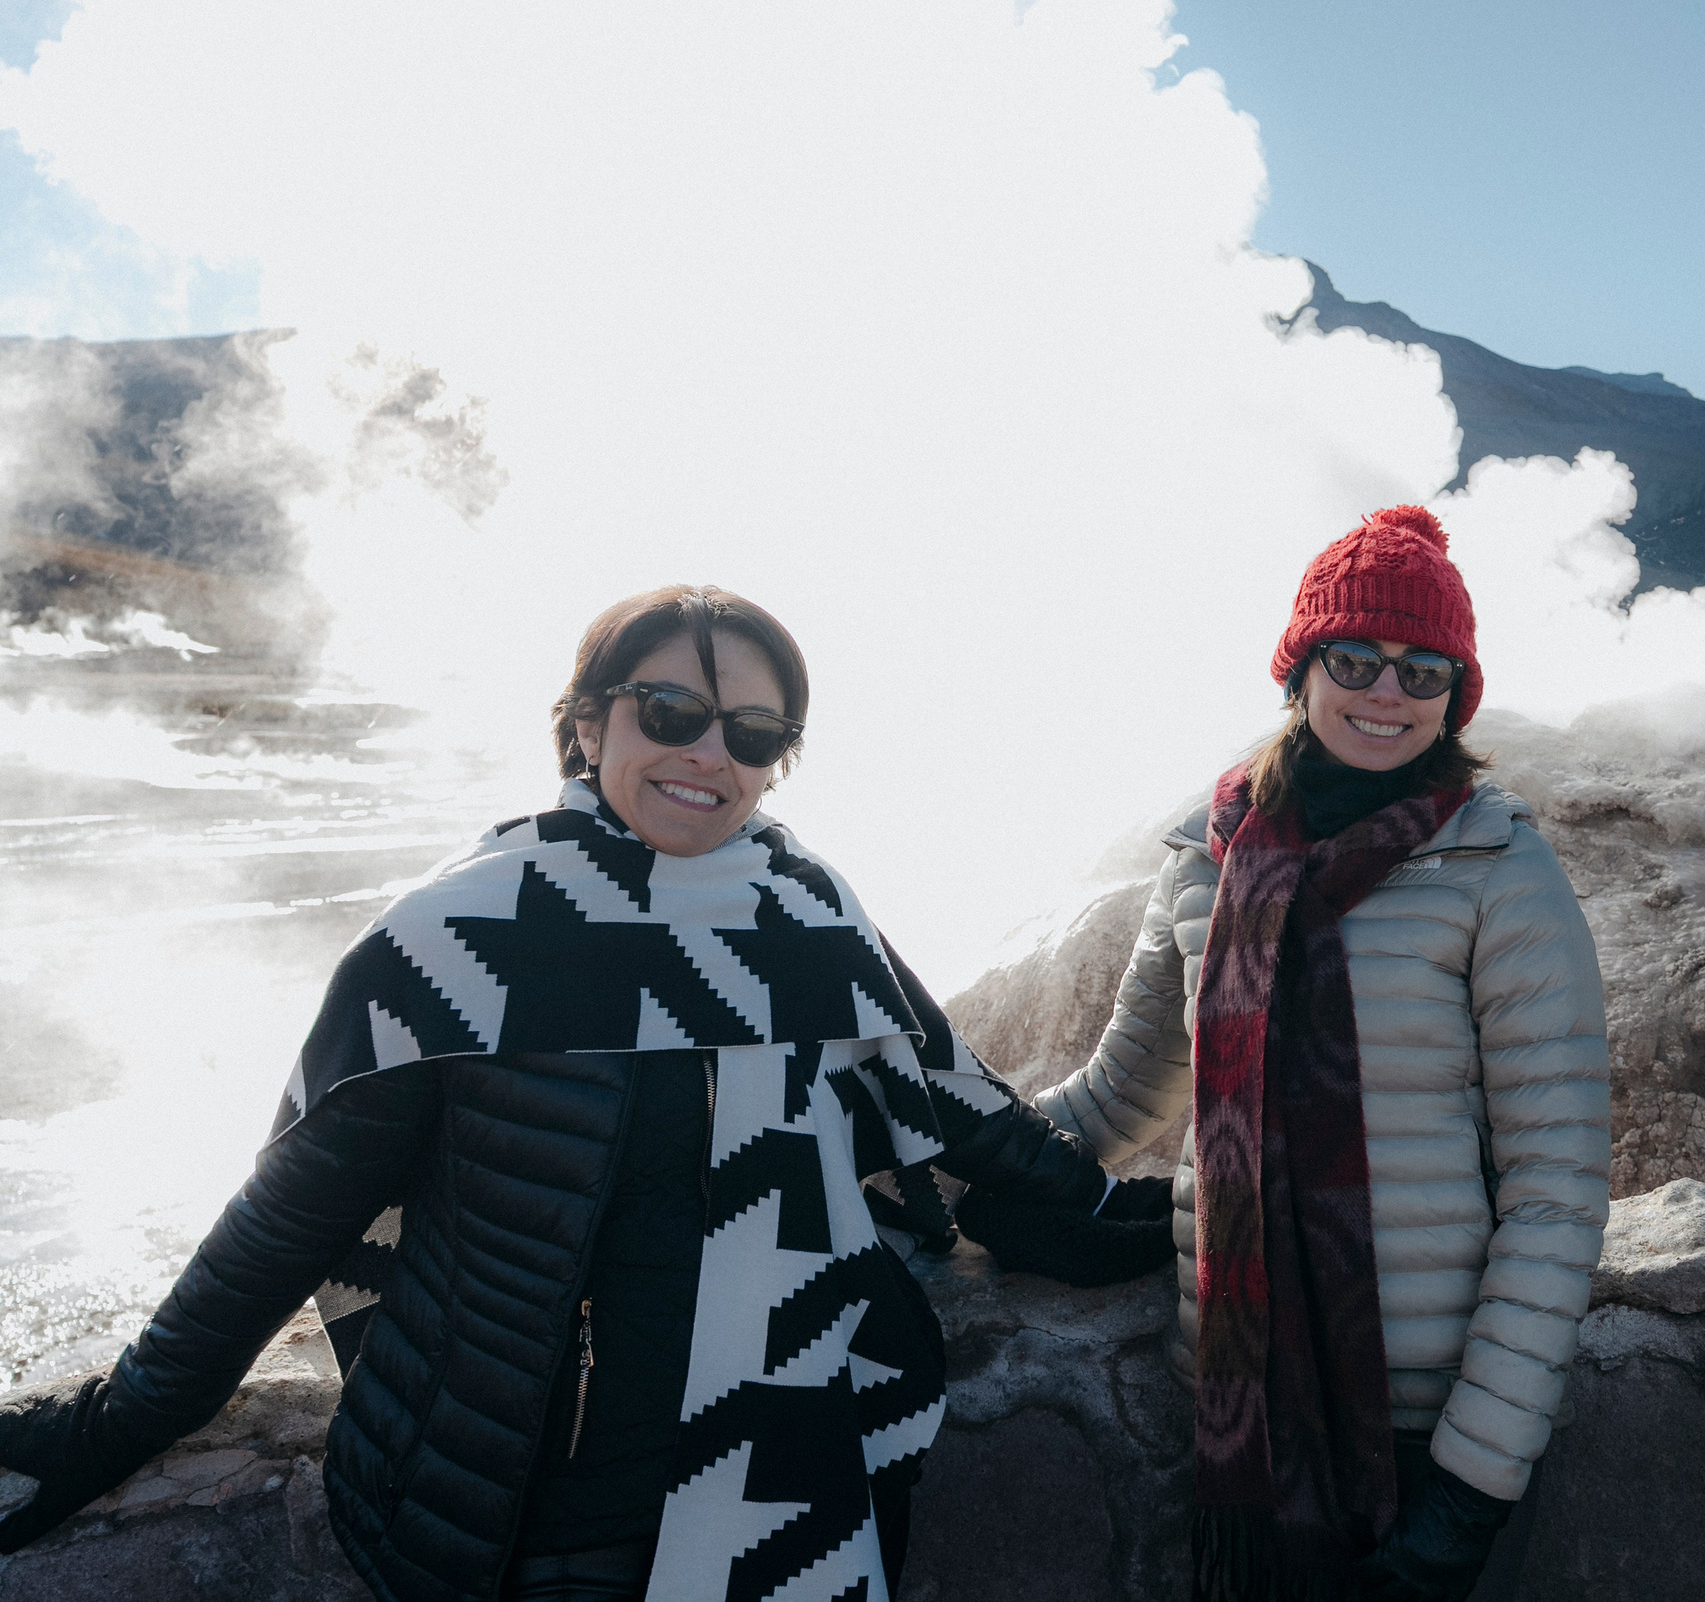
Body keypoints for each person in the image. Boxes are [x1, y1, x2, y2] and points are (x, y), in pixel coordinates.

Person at [0, 585, 1170, 1601]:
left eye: (755, 732)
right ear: (585, 722)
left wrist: (1136, 1217)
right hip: (546, 1501)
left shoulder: (805, 913)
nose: (710, 753)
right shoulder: (466, 936)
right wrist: (117, 1423)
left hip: (798, 1462)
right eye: (670, 714)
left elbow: (953, 1102)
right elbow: (289, 1216)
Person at [1034, 505, 1611, 1602]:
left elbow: (1556, 1187)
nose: (1387, 693)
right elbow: (1119, 1096)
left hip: (1430, 1433)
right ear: (1300, 667)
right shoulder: (1206, 862)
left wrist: (1467, 1497)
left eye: (1424, 670)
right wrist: (937, 1144)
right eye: (1355, 658)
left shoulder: (1496, 865)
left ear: (1457, 693)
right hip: (1243, 1420)